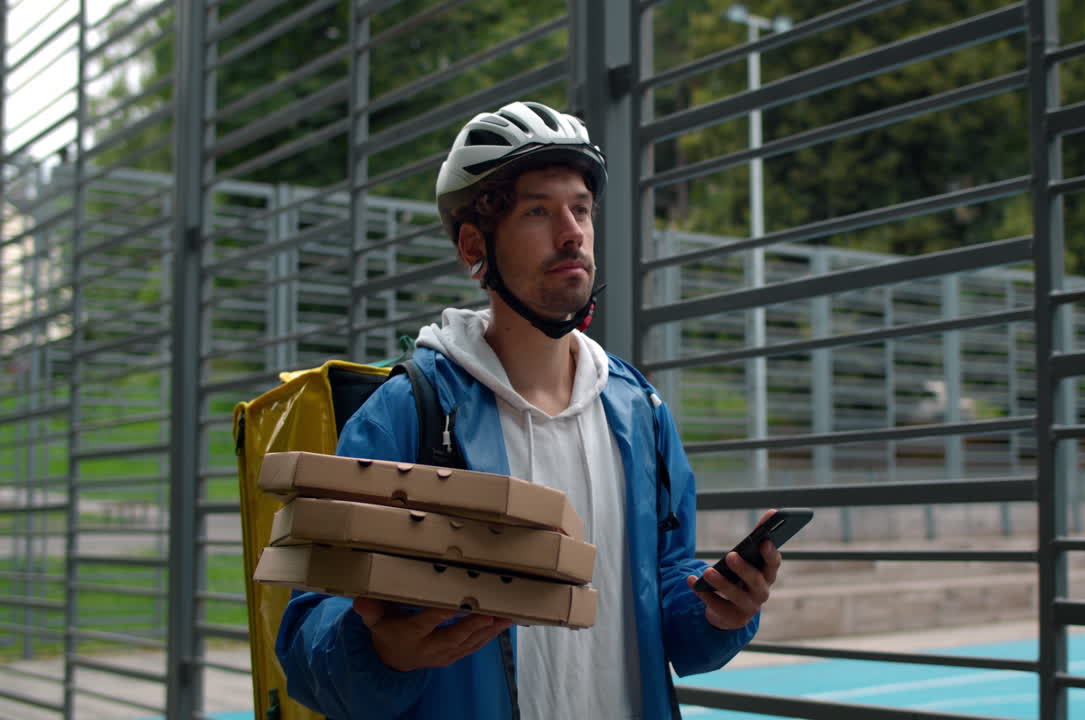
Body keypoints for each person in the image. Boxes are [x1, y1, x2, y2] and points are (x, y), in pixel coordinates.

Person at [275, 100, 784, 719]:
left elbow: (666, 598)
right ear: (474, 245)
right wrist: (382, 650)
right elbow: (305, 637)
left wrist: (719, 611)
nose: (571, 231)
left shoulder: (640, 411)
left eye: (581, 209)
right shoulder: (408, 412)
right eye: (539, 210)